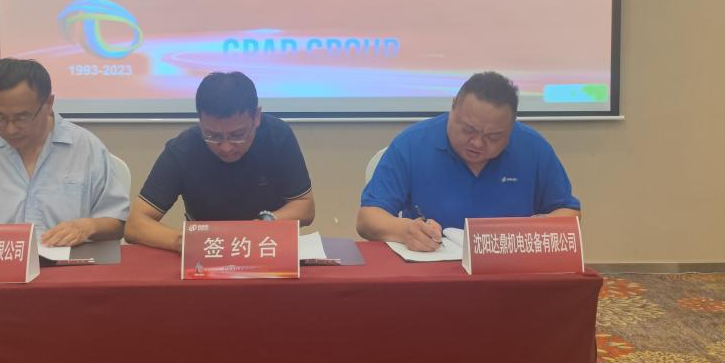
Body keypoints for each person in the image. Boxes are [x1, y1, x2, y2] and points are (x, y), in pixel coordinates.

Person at [357, 71, 581, 251]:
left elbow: (570, 213)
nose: (477, 143)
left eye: (493, 137)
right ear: (453, 107)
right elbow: (367, 218)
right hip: (431, 274)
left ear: (511, 127)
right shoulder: (412, 144)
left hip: (511, 273)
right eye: (468, 130)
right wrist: (406, 231)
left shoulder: (533, 148)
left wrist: (535, 230)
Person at [0, 58, 129, 246]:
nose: (10, 129)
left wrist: (87, 227)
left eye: (22, 117)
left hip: (67, 267)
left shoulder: (85, 148)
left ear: (48, 103)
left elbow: (117, 222)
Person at [126, 71, 315, 251]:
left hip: (266, 246)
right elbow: (135, 224)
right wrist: (184, 241)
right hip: (207, 252)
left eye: (237, 135)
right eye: (213, 135)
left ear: (256, 117)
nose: (226, 147)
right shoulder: (183, 150)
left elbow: (304, 207)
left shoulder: (277, 137)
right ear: (200, 121)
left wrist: (263, 224)